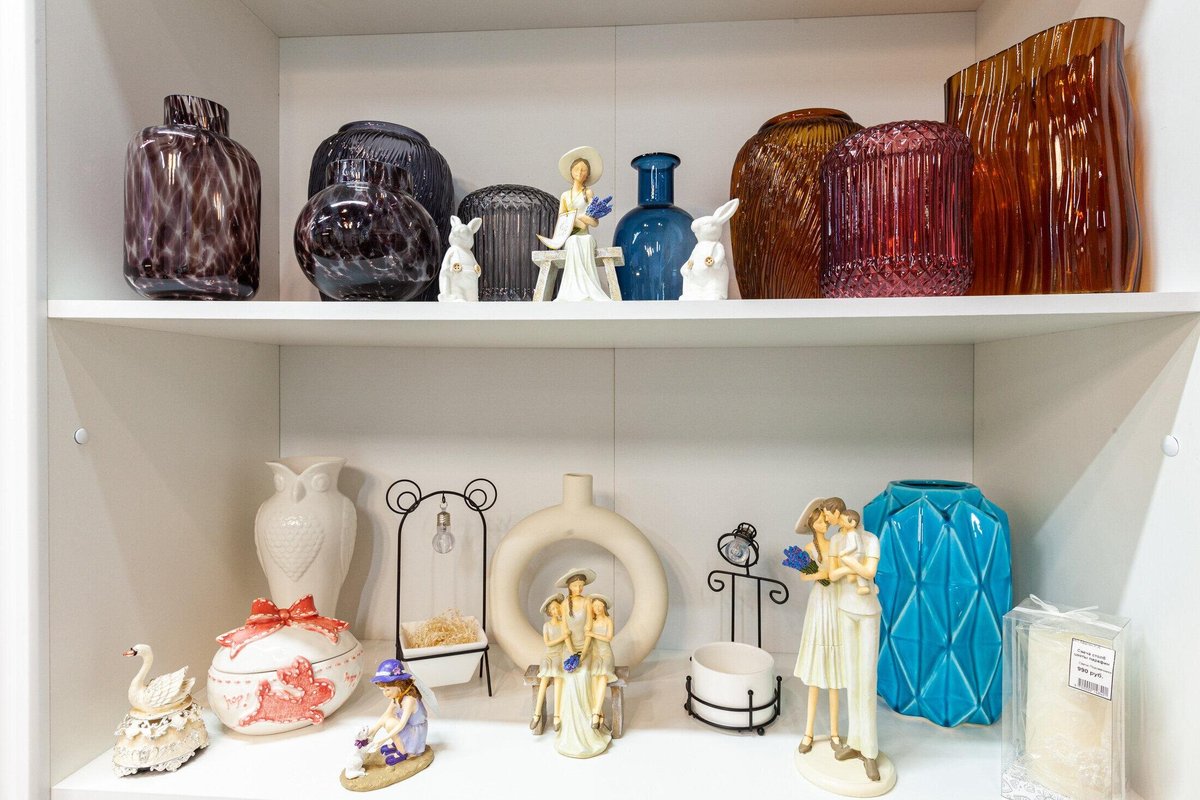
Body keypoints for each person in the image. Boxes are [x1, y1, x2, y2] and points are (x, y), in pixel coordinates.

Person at [828, 508, 883, 782]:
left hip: (868, 611)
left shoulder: (871, 539)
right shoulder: (837, 541)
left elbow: (870, 571)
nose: (836, 521)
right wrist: (850, 566)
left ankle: (870, 751)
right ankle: (855, 742)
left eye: (836, 516)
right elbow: (832, 575)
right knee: (852, 678)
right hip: (845, 609)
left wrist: (848, 564)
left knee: (867, 679)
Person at [792, 497, 847, 755]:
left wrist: (833, 574)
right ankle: (809, 732)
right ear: (813, 523)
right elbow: (804, 575)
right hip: (819, 602)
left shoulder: (836, 544)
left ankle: (835, 732)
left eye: (826, 520)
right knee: (815, 676)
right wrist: (820, 574)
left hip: (835, 600)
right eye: (821, 520)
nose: (825, 523)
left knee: (835, 676)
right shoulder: (809, 548)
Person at [551, 567, 611, 758]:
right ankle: (568, 728)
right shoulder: (563, 605)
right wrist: (571, 653)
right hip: (568, 650)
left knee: (584, 674)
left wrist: (582, 654)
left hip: (587, 649)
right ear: (569, 586)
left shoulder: (587, 602)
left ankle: (591, 722)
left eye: (581, 585)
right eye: (575, 585)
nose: (579, 588)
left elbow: (589, 629)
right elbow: (565, 631)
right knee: (569, 678)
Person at [546, 146, 612, 302]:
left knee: (586, 240)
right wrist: (574, 220)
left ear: (587, 174)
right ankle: (572, 290)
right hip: (571, 236)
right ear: (571, 172)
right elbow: (562, 219)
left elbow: (594, 222)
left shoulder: (587, 193)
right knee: (573, 241)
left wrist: (582, 218)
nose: (580, 173)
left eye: (583, 170)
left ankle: (588, 287)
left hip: (585, 235)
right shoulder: (565, 195)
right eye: (577, 169)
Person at [365, 659, 428, 766]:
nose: (385, 693)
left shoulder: (409, 700)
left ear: (399, 685)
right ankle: (399, 743)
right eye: (382, 690)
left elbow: (401, 725)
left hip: (415, 734)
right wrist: (372, 732)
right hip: (408, 728)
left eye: (387, 689)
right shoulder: (398, 696)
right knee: (387, 720)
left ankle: (403, 752)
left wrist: (383, 739)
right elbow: (386, 714)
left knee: (390, 724)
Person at [531, 593, 571, 732]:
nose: (556, 610)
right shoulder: (546, 626)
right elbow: (548, 643)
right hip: (548, 655)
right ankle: (536, 714)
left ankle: (557, 716)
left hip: (559, 655)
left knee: (558, 677)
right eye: (553, 609)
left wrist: (574, 654)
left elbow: (567, 642)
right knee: (545, 678)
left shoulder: (563, 624)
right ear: (549, 612)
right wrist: (563, 637)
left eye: (557, 607)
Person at [585, 595, 617, 730]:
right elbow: (587, 640)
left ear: (604, 606)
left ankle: (595, 713)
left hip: (606, 654)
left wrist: (592, 634)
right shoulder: (591, 622)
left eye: (599, 605)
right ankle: (600, 713)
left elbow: (608, 638)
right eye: (595, 606)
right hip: (595, 654)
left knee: (603, 676)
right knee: (593, 677)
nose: (597, 608)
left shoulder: (608, 621)